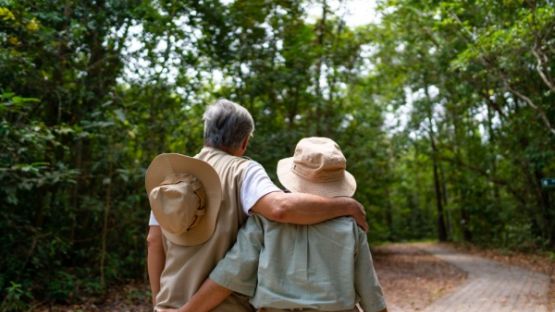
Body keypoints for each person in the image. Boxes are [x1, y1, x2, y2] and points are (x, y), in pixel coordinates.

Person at [146, 99, 369, 311]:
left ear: (206, 133)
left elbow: (153, 241)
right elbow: (280, 208)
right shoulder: (243, 170)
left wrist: (159, 301)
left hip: (170, 303)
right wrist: (346, 206)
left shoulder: (174, 176)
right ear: (244, 142)